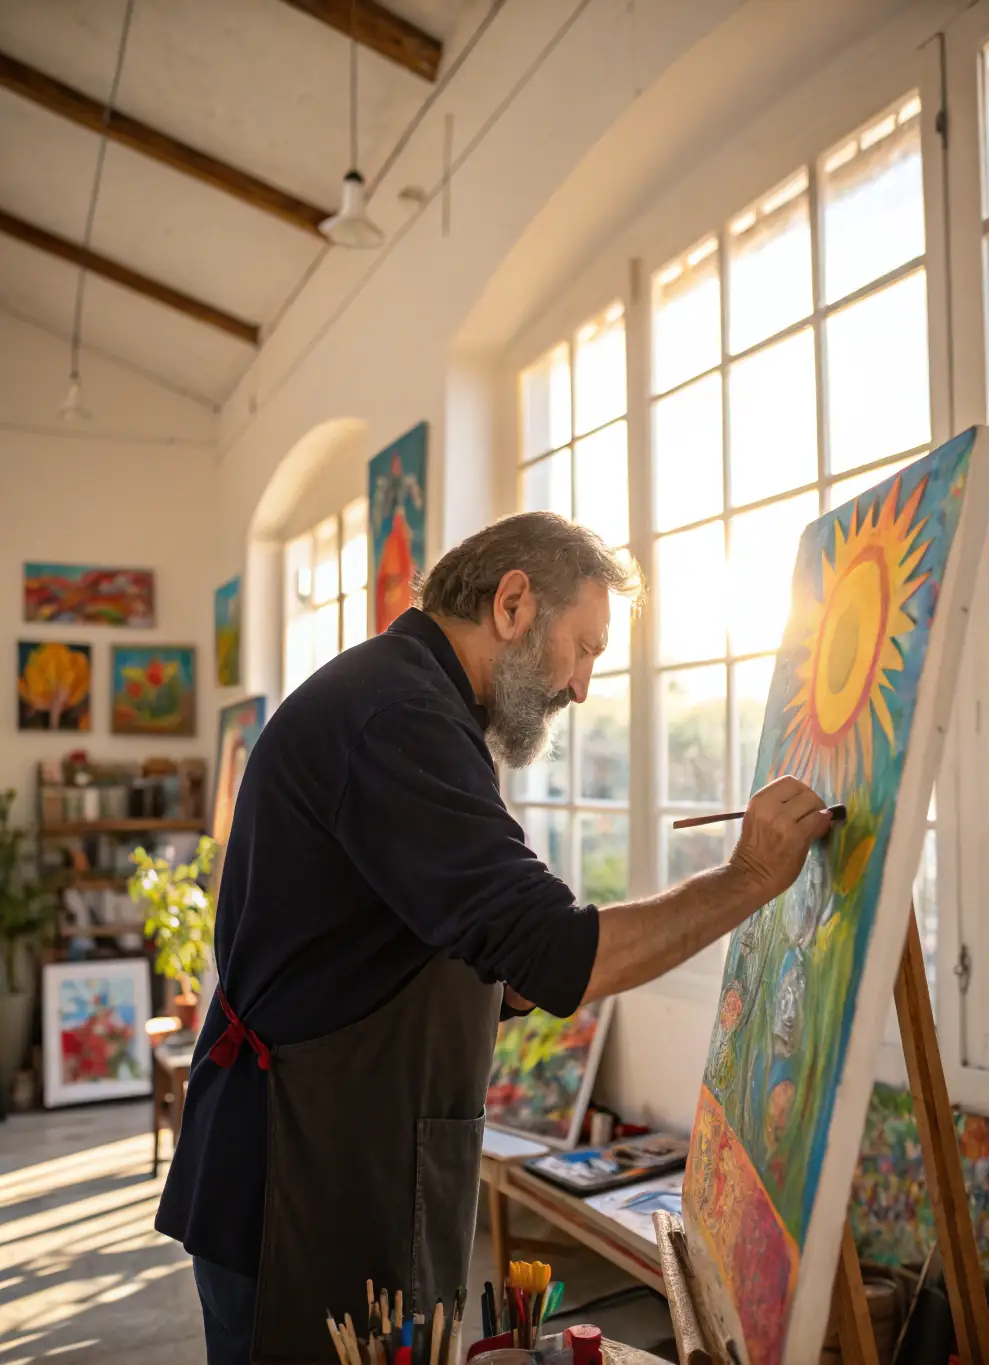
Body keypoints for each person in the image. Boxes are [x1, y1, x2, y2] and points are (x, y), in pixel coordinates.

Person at [155, 512, 833, 1365]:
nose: (582, 686)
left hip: (330, 1158)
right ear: (513, 602)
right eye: (583, 647)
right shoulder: (399, 714)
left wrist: (506, 976)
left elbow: (414, 942)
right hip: (296, 1178)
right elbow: (553, 951)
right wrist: (748, 878)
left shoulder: (408, 697)